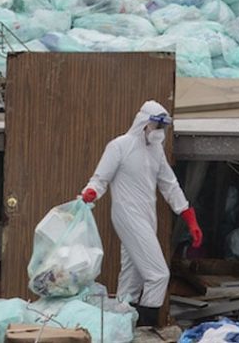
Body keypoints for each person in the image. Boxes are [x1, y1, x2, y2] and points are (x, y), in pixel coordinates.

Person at [80, 100, 202, 327]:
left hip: (147, 215)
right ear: (144, 122)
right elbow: (100, 179)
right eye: (157, 125)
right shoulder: (120, 146)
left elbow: (169, 184)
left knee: (131, 277)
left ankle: (121, 325)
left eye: (163, 127)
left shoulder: (156, 151)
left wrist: (188, 216)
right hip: (127, 215)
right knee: (158, 275)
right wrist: (90, 193)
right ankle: (147, 326)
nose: (159, 131)